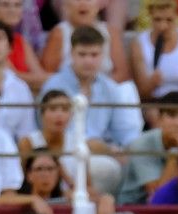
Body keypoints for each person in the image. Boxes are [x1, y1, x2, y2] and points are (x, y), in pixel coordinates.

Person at [40, 24, 142, 169]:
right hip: (62, 154)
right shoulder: (53, 86)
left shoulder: (109, 88)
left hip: (104, 154)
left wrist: (129, 151)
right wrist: (95, 146)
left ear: (103, 55)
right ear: (71, 54)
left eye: (94, 55)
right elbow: (47, 131)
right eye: (82, 54)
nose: (88, 61)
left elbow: (124, 133)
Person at [118, 90, 178, 204]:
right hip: (138, 205)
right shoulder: (141, 145)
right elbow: (158, 197)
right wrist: (176, 152)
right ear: (160, 119)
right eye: (171, 115)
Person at [41, 0, 128, 80]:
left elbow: (122, 74)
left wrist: (96, 86)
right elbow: (48, 75)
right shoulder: (59, 33)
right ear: (66, 5)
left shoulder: (111, 33)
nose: (83, 3)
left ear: (100, 3)